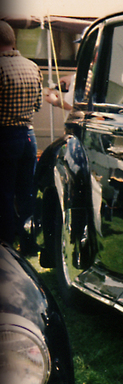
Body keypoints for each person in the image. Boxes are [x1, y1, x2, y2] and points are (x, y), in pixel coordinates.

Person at [0, 20, 43, 247]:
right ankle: (28, 241)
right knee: (26, 193)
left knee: (4, 192)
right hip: (28, 136)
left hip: (5, 137)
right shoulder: (32, 66)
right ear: (13, 39)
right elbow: (37, 105)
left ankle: (6, 242)